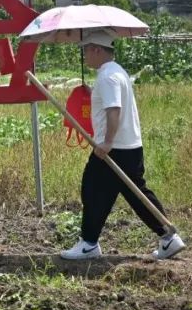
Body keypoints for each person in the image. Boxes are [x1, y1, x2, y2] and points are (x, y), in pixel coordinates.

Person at [61, 31, 185, 261]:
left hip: (115, 148)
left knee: (93, 189)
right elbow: (110, 102)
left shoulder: (107, 77)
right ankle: (168, 237)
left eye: (86, 50)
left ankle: (89, 244)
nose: (84, 55)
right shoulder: (116, 71)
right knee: (135, 193)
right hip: (130, 146)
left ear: (97, 50)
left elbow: (114, 109)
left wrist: (107, 142)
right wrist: (93, 94)